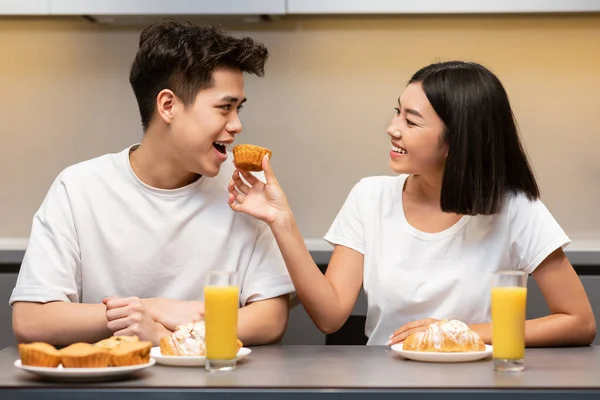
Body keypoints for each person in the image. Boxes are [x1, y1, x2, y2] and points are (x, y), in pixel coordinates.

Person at [228, 60, 596, 346]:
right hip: (384, 382)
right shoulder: (369, 197)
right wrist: (281, 220)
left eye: (411, 120)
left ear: (457, 139)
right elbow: (330, 316)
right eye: (397, 110)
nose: (393, 128)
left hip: (478, 383)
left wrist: (461, 333)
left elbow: (579, 322)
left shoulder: (515, 210)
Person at [10, 20, 294, 347]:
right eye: (225, 108)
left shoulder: (245, 188)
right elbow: (31, 319)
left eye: (238, 109)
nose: (237, 125)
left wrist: (161, 328)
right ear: (168, 106)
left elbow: (271, 320)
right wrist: (146, 311)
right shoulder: (78, 188)